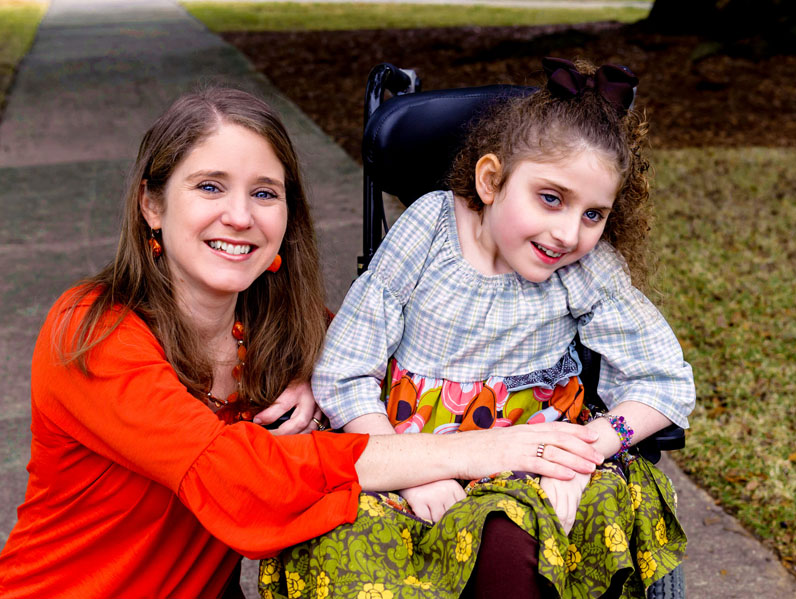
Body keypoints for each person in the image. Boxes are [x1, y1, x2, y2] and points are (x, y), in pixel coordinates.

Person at [0, 86, 606, 599]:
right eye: (210, 187)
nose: (240, 216)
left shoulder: (280, 327)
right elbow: (239, 478)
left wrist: (319, 370)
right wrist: (486, 450)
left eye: (265, 193)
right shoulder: (90, 331)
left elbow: (381, 350)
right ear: (151, 204)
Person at [265, 58, 696, 599]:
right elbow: (346, 370)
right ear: (491, 180)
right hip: (405, 447)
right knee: (346, 539)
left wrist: (587, 450)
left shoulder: (585, 269)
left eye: (594, 214)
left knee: (515, 537)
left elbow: (665, 381)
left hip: (535, 463)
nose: (568, 233)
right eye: (551, 198)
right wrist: (411, 470)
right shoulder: (429, 230)